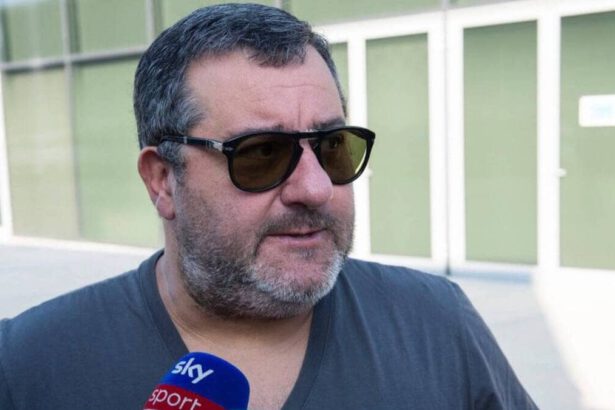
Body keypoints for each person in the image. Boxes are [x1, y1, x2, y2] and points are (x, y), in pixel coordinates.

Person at [0, 3, 537, 409]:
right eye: (261, 153)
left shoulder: (436, 322)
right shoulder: (29, 364)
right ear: (162, 180)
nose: (315, 188)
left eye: (332, 146)